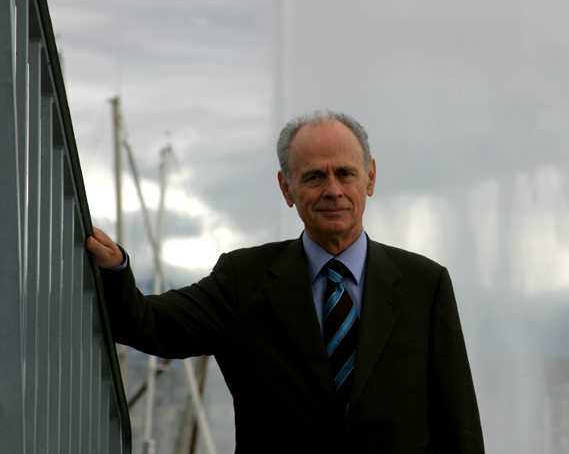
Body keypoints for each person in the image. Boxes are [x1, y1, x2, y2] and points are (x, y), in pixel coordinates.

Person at [87, 110, 484, 453]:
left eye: (345, 173)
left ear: (370, 178)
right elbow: (146, 324)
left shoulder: (424, 284)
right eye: (314, 177)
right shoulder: (243, 280)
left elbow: (459, 427)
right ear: (287, 188)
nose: (333, 190)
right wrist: (116, 268)